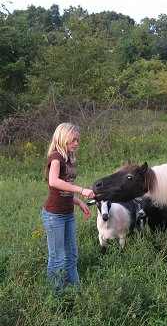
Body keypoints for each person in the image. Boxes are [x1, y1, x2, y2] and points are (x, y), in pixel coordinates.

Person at [41, 122, 95, 292]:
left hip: (67, 213)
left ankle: (76, 291)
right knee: (56, 257)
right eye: (73, 140)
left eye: (78, 140)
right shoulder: (56, 157)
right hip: (54, 215)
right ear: (63, 138)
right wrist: (81, 190)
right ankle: (55, 295)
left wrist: (78, 202)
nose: (76, 143)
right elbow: (54, 182)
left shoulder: (67, 159)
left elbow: (63, 188)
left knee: (71, 255)